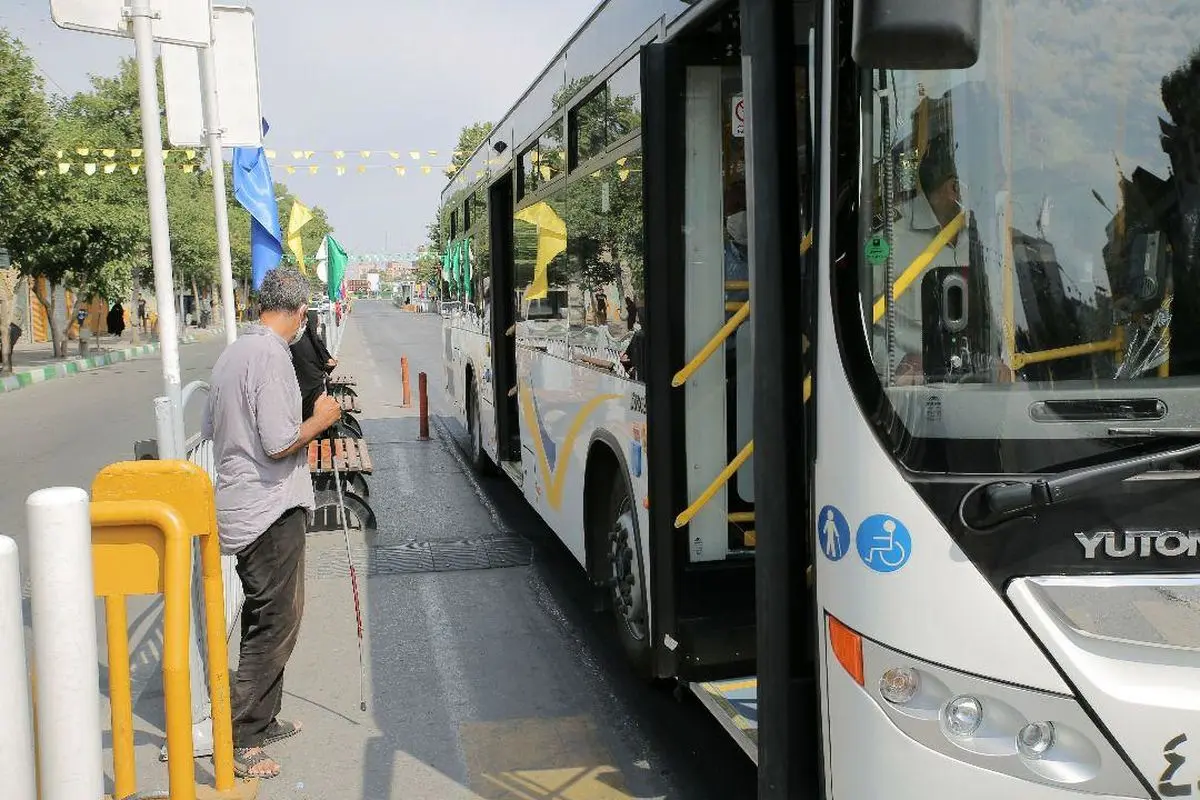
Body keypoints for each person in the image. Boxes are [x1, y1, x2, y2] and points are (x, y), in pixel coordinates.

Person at [201, 267, 342, 780]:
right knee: (274, 623)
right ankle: (239, 737)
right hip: (268, 508)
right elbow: (280, 441)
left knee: (274, 617)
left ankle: (263, 719)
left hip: (245, 501)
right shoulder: (270, 357)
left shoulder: (236, 352)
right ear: (301, 312)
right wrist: (322, 420)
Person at [290, 307, 337, 420]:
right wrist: (328, 364)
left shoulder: (302, 339)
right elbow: (315, 365)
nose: (318, 327)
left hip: (305, 391)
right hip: (309, 393)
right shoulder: (303, 341)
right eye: (317, 324)